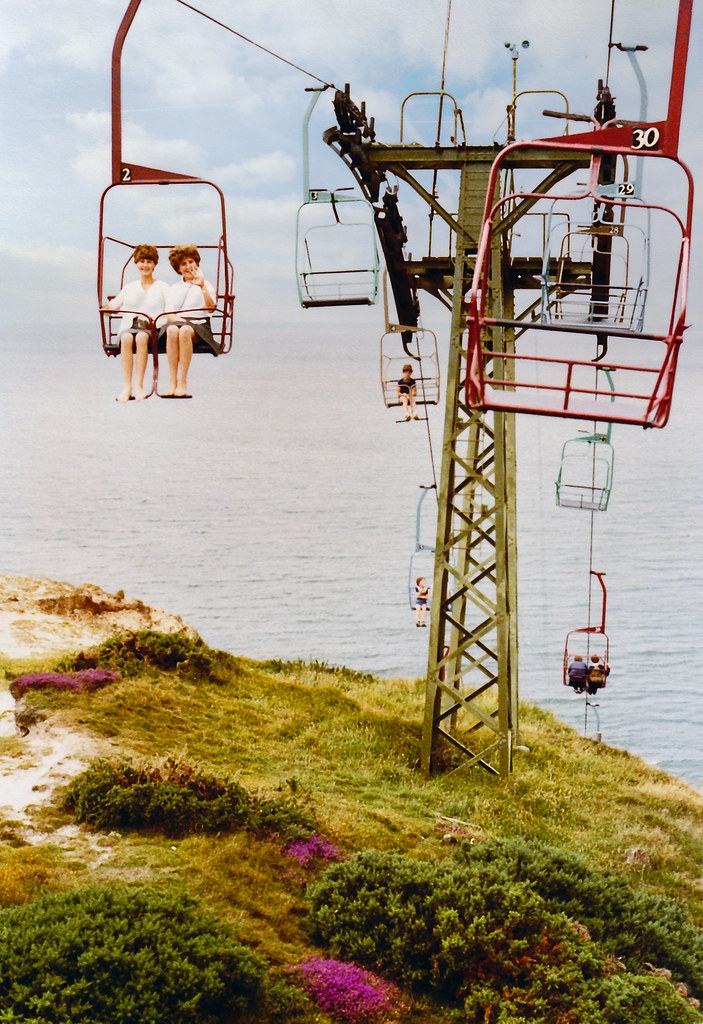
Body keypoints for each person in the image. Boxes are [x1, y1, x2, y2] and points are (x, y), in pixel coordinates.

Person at [101, 244, 169, 403]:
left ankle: (139, 385)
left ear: (154, 265)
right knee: (126, 338)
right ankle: (127, 386)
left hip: (152, 329)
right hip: (130, 327)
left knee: (140, 338)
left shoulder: (162, 287)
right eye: (142, 261)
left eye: (149, 262)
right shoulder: (129, 287)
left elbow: (170, 310)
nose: (145, 265)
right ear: (137, 263)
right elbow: (112, 306)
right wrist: (105, 309)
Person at [164, 245, 218, 398]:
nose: (188, 267)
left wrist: (201, 286)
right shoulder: (174, 288)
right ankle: (172, 381)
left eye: (190, 262)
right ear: (179, 268)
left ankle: (182, 382)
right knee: (173, 330)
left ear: (196, 263)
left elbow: (211, 308)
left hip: (199, 325)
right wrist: (179, 321)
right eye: (183, 264)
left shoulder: (206, 284)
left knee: (185, 331)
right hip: (178, 322)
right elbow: (169, 313)